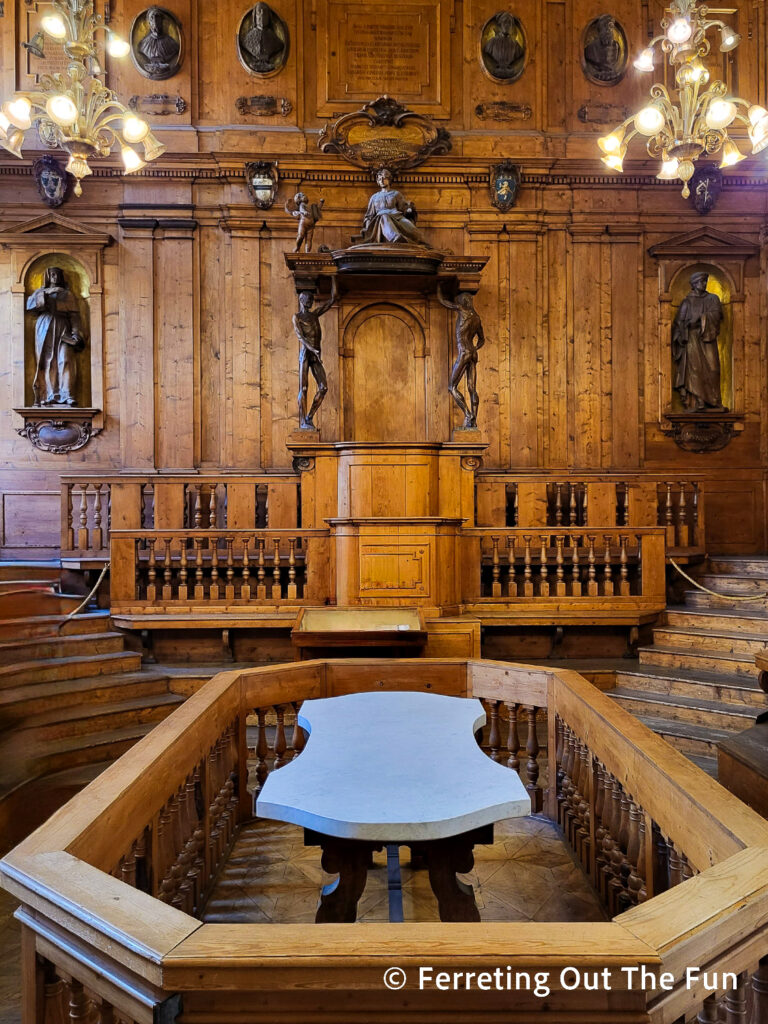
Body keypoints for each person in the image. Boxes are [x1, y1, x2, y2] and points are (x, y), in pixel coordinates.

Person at [27, 266, 86, 407]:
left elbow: (74, 316)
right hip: (45, 326)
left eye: (57, 274)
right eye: (52, 274)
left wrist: (76, 333)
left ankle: (68, 395)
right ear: (48, 277)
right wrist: (45, 296)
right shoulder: (40, 292)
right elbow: (30, 306)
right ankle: (51, 394)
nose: (55, 277)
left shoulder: (67, 294)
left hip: (63, 328)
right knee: (48, 362)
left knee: (65, 359)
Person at [672, 271, 725, 411]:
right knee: (695, 370)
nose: (704, 284)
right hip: (692, 339)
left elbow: (717, 314)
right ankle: (699, 402)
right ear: (694, 284)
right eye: (701, 282)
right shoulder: (687, 301)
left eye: (705, 281)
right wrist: (685, 328)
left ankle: (714, 402)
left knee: (713, 368)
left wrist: (702, 319)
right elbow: (679, 323)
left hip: (708, 337)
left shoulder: (713, 298)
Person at [437, 284, 486, 428]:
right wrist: (474, 347)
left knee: (452, 386)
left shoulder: (462, 310)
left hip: (464, 351)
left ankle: (468, 414)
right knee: (472, 388)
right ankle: (473, 422)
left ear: (463, 301)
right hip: (473, 353)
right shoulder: (477, 318)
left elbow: (443, 301)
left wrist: (439, 287)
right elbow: (482, 339)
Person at [294, 278, 337, 429]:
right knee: (303, 388)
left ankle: (309, 417)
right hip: (306, 353)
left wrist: (332, 277)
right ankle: (302, 424)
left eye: (311, 299)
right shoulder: (297, 317)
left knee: (323, 387)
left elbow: (332, 299)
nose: (311, 301)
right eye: (308, 299)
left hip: (315, 354)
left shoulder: (314, 315)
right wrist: (312, 349)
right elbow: (300, 337)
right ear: (302, 300)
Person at [357, 168, 428, 246]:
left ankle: (423, 244)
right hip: (381, 219)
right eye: (380, 179)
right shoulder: (374, 197)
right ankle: (395, 237)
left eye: (384, 178)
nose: (382, 180)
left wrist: (409, 210)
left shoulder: (396, 194)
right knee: (384, 216)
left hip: (397, 217)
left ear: (389, 180)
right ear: (378, 181)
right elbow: (369, 216)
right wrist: (368, 229)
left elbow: (404, 208)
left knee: (413, 230)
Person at [137, 7, 180, 77]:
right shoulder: (143, 44)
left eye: (158, 19)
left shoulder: (171, 43)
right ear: (149, 23)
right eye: (152, 19)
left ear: (162, 21)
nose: (155, 22)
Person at [242, 2, 284, 72]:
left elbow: (280, 46)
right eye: (259, 12)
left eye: (264, 12)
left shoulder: (275, 39)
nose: (262, 15)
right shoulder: (246, 41)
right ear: (255, 16)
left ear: (268, 16)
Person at [482, 12, 523, 80]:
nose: (507, 25)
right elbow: (486, 52)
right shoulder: (492, 43)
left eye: (509, 23)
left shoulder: (515, 45)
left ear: (511, 26)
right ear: (500, 25)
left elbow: (520, 55)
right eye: (505, 22)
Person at [584, 14, 621, 82]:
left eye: (611, 26)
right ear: (601, 29)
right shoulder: (591, 48)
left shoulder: (616, 46)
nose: (609, 30)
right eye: (606, 26)